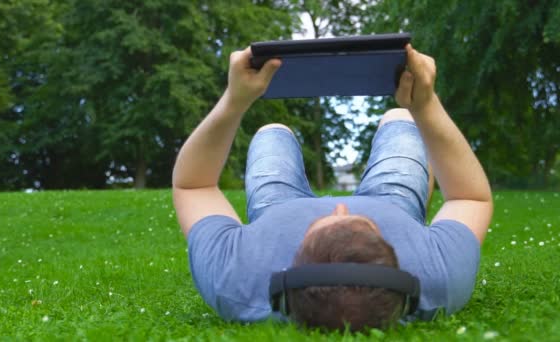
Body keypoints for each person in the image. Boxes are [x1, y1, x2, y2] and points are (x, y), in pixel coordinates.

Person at [172, 44, 493, 331]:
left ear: (287, 274)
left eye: (315, 228)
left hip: (276, 207)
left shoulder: (234, 280)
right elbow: (469, 197)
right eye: (368, 229)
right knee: (401, 117)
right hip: (392, 202)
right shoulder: (439, 278)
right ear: (401, 275)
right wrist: (425, 107)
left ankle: (275, 133)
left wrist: (234, 101)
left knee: (272, 130)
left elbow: (194, 186)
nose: (341, 207)